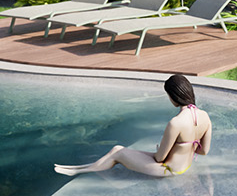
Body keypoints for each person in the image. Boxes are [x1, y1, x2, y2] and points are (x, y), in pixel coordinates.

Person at [54, 74, 212, 177]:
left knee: (118, 154)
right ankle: (81, 168)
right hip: (182, 167)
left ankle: (81, 170)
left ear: (173, 96)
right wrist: (185, 148)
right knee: (116, 149)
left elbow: (159, 158)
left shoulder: (176, 122)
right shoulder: (205, 117)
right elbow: (204, 151)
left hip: (167, 170)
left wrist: (162, 151)